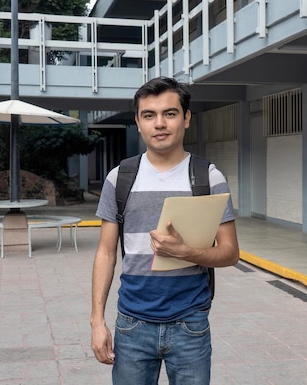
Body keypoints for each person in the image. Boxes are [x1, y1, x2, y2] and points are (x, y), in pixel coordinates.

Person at [90, 76, 240, 385]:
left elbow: (230, 253)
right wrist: (96, 321)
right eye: (149, 115)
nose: (160, 123)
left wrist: (186, 252)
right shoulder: (119, 179)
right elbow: (105, 253)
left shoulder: (208, 178)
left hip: (190, 325)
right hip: (131, 324)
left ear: (186, 119)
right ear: (138, 121)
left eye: (170, 113)